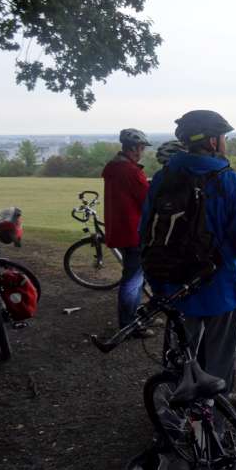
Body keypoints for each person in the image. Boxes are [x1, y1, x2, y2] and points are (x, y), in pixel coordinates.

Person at [140, 110, 236, 399]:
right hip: (222, 287)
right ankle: (213, 430)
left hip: (172, 286)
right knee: (219, 364)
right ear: (212, 141)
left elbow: (145, 231)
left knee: (179, 361)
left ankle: (171, 425)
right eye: (222, 137)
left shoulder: (161, 178)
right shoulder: (227, 179)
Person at [102, 128, 152, 336]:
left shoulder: (113, 168)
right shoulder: (131, 171)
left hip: (119, 228)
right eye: (141, 148)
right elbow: (147, 200)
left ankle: (135, 316)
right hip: (133, 231)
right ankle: (129, 325)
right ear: (133, 148)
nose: (142, 152)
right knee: (133, 279)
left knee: (136, 275)